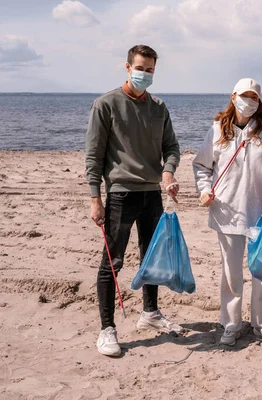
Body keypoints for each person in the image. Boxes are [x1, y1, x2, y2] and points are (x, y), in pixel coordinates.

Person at [85, 44, 182, 357]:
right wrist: (94, 197)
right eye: (140, 68)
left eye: (150, 69)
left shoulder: (159, 107)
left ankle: (150, 313)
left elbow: (172, 148)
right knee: (112, 262)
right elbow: (94, 156)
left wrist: (167, 174)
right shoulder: (106, 104)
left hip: (152, 194)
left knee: (151, 257)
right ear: (127, 67)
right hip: (120, 194)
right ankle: (107, 328)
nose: (145, 74)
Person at [192, 78, 262, 346]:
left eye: (254, 97)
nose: (250, 101)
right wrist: (204, 190)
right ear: (233, 97)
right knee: (231, 274)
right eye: (245, 96)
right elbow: (202, 166)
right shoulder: (217, 130)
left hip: (261, 213)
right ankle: (231, 324)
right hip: (227, 211)